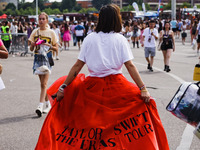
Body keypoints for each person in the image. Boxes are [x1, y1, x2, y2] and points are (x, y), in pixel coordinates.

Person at [35, 4, 169, 150]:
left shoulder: (90, 38)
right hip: (118, 86)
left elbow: (77, 66)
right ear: (115, 19)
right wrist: (143, 88)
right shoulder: (120, 39)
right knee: (123, 123)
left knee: (92, 127)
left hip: (91, 87)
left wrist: (63, 87)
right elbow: (130, 66)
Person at [28, 12, 58, 117]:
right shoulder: (35, 32)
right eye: (39, 19)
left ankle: (40, 106)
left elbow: (56, 48)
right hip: (37, 59)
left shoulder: (51, 32)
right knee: (42, 84)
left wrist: (48, 45)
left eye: (43, 19)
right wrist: (32, 45)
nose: (41, 21)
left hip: (48, 59)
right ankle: (48, 104)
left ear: (47, 20)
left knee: (44, 84)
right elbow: (31, 49)